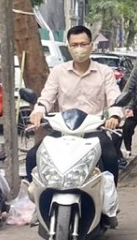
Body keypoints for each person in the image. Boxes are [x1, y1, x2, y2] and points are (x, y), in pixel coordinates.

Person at [27, 25, 123, 223]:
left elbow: (114, 97)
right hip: (63, 131)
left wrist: (114, 115)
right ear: (69, 47)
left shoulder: (104, 72)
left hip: (93, 130)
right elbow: (46, 97)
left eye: (83, 44)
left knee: (111, 156)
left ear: (91, 46)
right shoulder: (58, 72)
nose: (79, 48)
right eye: (75, 45)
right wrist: (38, 112)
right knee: (32, 156)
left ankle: (108, 206)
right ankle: (38, 202)